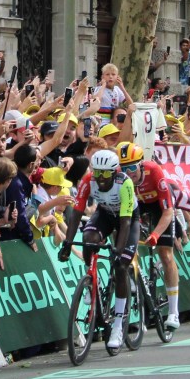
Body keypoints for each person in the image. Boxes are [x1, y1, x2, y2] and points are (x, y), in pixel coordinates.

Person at [57, 150, 139, 350]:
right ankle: (90, 278)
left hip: (127, 218)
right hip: (105, 213)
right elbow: (76, 214)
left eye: (105, 174)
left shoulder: (124, 183)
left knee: (120, 266)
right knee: (89, 238)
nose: (100, 178)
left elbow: (126, 222)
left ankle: (119, 325)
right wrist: (67, 243)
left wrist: (119, 249)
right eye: (97, 173)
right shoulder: (88, 180)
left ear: (114, 171)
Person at [118, 142, 181, 330]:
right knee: (125, 245)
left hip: (158, 206)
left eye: (132, 167)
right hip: (136, 206)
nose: (128, 172)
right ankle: (135, 282)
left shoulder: (153, 171)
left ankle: (173, 312)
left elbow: (168, 211)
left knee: (165, 253)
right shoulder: (121, 178)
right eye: (124, 168)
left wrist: (155, 234)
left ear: (140, 164)